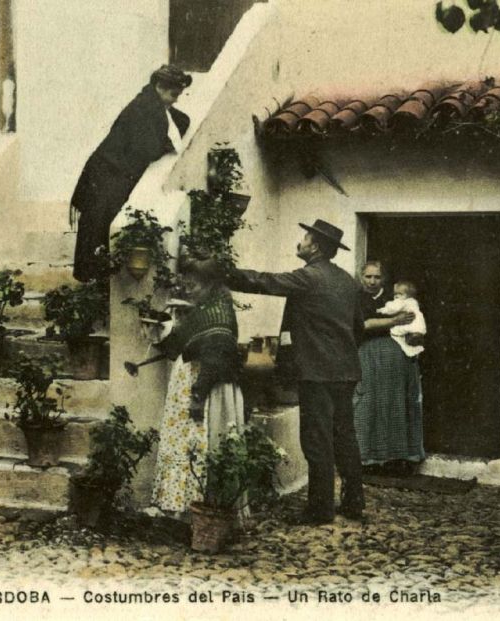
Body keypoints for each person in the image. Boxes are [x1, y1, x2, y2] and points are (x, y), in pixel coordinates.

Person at [227, 219, 365, 525]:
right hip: (346, 371)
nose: (299, 242)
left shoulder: (309, 277)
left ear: (315, 246)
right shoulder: (348, 282)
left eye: (304, 238)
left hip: (318, 372)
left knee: (317, 440)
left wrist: (223, 272)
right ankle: (354, 503)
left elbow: (264, 281)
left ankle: (320, 510)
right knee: (345, 437)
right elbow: (359, 328)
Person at [71, 65, 192, 282]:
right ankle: (94, 282)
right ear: (159, 87)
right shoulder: (142, 108)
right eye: (174, 94)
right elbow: (147, 149)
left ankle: (98, 281)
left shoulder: (153, 105)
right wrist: (166, 144)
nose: (176, 100)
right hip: (105, 173)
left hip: (116, 172)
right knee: (98, 225)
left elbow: (180, 120)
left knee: (101, 227)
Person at [150, 264, 246, 517]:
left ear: (210, 285)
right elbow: (176, 346)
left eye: (193, 286)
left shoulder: (218, 312)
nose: (188, 291)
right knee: (186, 445)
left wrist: (197, 397)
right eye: (186, 285)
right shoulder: (202, 310)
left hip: (208, 388)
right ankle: (185, 509)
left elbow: (215, 360)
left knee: (203, 444)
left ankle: (204, 512)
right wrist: (157, 328)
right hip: (191, 383)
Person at [353, 261, 426, 475]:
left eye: (376, 277)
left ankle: (399, 458)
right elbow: (362, 325)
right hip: (367, 354)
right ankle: (368, 458)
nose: (372, 281)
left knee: (397, 402)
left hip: (397, 355)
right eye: (368, 277)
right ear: (361, 277)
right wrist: (395, 320)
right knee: (368, 402)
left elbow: (413, 317)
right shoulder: (356, 298)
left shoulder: (395, 298)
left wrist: (414, 331)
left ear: (383, 279)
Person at [376, 280, 426, 358]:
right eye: (395, 294)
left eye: (400, 294)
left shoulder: (401, 302)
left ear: (408, 295)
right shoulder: (413, 302)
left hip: (407, 323)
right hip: (417, 323)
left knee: (398, 334)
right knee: (412, 336)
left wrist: (382, 310)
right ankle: (415, 339)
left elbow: (393, 308)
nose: (396, 296)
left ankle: (412, 342)